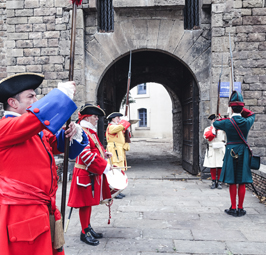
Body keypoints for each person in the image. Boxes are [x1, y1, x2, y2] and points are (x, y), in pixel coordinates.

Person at [0, 73, 88, 255]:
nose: (36, 100)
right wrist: (61, 95)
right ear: (13, 103)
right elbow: (34, 120)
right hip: (20, 213)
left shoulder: (33, 130)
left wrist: (72, 133)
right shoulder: (5, 127)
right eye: (31, 96)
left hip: (42, 209)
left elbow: (58, 144)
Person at [67, 104, 113, 246]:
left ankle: (88, 227)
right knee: (84, 204)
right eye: (95, 116)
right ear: (87, 117)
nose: (97, 119)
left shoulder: (90, 132)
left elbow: (95, 149)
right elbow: (86, 155)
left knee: (89, 203)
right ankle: (84, 232)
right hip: (84, 173)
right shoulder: (82, 131)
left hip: (90, 173)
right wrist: (104, 165)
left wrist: (104, 154)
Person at [213, 91, 255, 217]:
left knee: (232, 181)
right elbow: (251, 114)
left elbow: (215, 123)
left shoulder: (226, 122)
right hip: (243, 150)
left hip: (231, 150)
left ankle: (232, 207)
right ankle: (241, 208)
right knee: (241, 181)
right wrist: (240, 109)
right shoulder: (248, 121)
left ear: (231, 108)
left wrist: (226, 115)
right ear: (242, 108)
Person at [105, 112, 131, 199]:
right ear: (112, 119)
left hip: (118, 150)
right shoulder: (111, 127)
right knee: (116, 171)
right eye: (117, 118)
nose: (119, 120)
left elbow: (123, 131)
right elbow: (120, 127)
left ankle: (118, 190)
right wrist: (125, 122)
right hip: (114, 150)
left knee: (119, 171)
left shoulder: (116, 127)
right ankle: (114, 191)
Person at [203, 114, 226, 189]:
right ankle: (213, 181)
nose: (215, 121)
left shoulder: (223, 129)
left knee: (220, 165)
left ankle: (219, 181)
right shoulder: (208, 129)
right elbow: (207, 137)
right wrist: (213, 130)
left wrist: (222, 121)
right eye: (214, 120)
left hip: (220, 149)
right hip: (212, 148)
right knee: (212, 165)